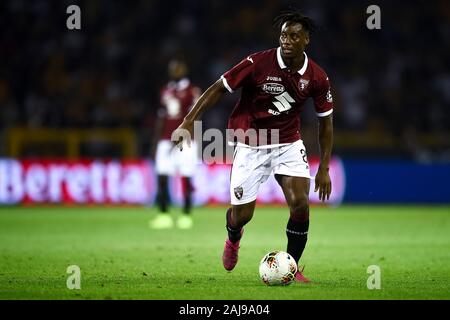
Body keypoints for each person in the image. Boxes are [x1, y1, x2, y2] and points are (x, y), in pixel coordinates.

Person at [172, 11, 334, 282]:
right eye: (283, 35)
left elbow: (326, 124)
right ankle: (233, 238)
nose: (287, 40)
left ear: (306, 39)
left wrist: (325, 167)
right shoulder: (257, 63)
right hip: (251, 142)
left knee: (300, 204)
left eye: (294, 36)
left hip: (288, 143)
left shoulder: (317, 77)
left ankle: (291, 267)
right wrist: (188, 121)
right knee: (241, 216)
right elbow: (217, 88)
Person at [150, 58, 201, 230]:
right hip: (165, 140)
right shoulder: (165, 90)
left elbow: (195, 118)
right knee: (162, 177)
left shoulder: (192, 91)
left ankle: (186, 215)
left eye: (178, 68)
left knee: (186, 177)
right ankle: (163, 214)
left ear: (184, 69)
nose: (175, 71)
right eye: (173, 68)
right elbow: (161, 118)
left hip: (185, 141)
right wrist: (156, 142)